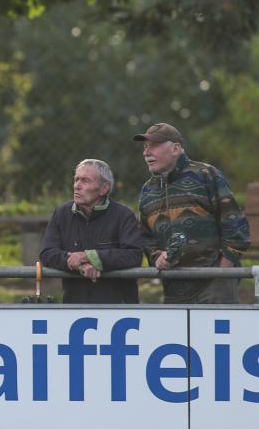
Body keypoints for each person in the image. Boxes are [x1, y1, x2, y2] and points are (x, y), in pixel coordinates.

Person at [135, 123, 250, 303]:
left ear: (176, 148)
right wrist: (157, 257)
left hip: (213, 284)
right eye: (145, 147)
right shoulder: (147, 190)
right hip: (173, 287)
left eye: (154, 146)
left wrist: (222, 271)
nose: (146, 152)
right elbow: (145, 236)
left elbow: (235, 224)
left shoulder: (206, 174)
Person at [39, 159, 143, 303]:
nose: (77, 186)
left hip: (119, 307)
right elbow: (47, 253)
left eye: (85, 181)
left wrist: (90, 256)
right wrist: (78, 264)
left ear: (104, 188)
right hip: (74, 305)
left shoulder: (123, 215)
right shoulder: (61, 214)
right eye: (76, 180)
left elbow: (133, 255)